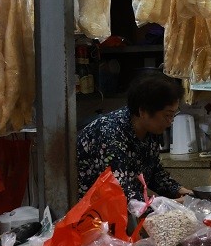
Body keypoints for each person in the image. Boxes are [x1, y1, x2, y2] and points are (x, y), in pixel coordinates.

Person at [77, 71, 193, 203]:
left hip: (123, 208)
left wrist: (183, 191)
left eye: (173, 114)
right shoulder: (110, 132)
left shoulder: (150, 130)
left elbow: (154, 172)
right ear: (143, 111)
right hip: (91, 210)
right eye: (167, 115)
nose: (170, 121)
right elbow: (123, 194)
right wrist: (174, 203)